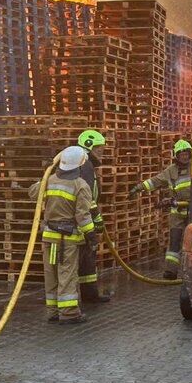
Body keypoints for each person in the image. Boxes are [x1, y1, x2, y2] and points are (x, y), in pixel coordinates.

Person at [129, 139, 192, 280]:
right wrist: (139, 188)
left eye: (186, 154)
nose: (184, 156)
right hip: (177, 212)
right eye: (181, 154)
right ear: (176, 156)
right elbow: (155, 181)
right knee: (174, 242)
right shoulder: (171, 171)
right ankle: (171, 271)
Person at [40, 146, 98, 324]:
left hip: (50, 238)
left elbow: (33, 192)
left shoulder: (48, 181)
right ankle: (69, 312)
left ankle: (53, 311)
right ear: (80, 165)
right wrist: (91, 233)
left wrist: (45, 176)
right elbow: (82, 215)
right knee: (67, 274)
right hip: (67, 240)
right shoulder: (80, 185)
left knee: (52, 273)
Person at [76, 129, 110, 303]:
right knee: (85, 253)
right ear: (88, 146)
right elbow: (87, 195)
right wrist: (96, 217)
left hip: (81, 216)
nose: (101, 152)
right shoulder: (86, 165)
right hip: (83, 217)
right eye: (99, 149)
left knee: (87, 255)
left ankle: (90, 294)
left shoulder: (82, 162)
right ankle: (87, 295)